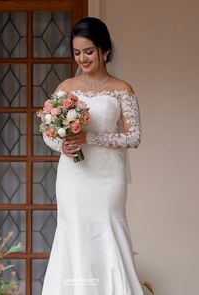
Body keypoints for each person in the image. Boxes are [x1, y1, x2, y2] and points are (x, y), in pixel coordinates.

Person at [41, 17, 143, 295]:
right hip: (73, 178)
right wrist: (61, 146)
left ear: (104, 51)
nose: (82, 58)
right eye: (77, 52)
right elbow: (48, 133)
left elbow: (133, 138)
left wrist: (90, 138)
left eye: (88, 51)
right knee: (73, 233)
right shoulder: (65, 88)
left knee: (108, 231)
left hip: (109, 178)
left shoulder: (122, 89)